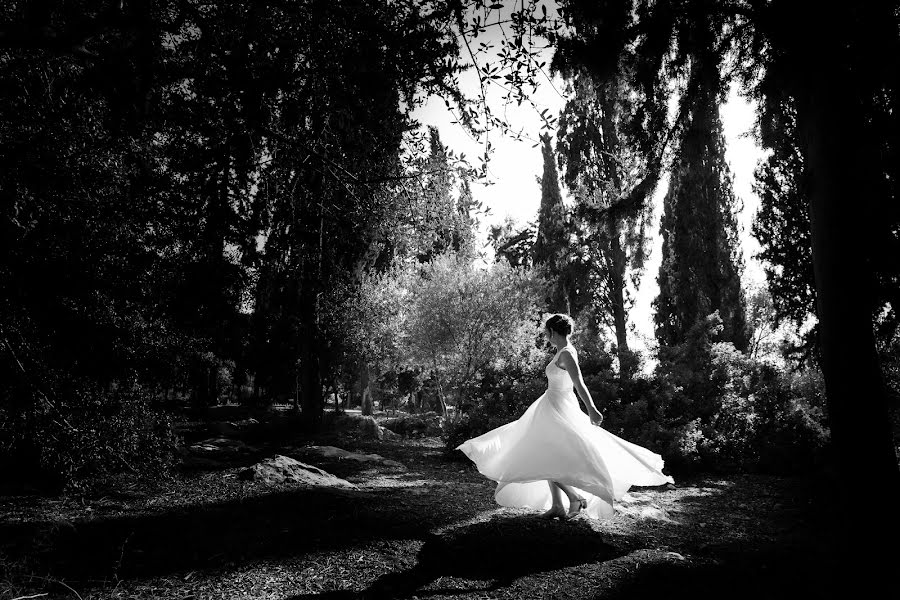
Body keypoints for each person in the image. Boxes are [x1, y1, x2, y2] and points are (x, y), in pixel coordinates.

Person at [456, 313, 674, 519]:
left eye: (546, 332)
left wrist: (591, 409)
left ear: (552, 331)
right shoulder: (562, 352)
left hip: (559, 407)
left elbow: (579, 383)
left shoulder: (567, 353)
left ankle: (574, 498)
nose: (545, 336)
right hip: (549, 405)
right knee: (547, 453)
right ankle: (559, 505)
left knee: (548, 454)